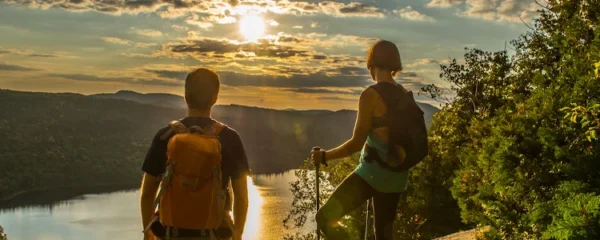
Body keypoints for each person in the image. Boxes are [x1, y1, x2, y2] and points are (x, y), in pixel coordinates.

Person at [311, 40, 427, 240]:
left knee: (324, 217)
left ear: (371, 63)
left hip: (372, 174)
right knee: (383, 235)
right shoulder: (402, 94)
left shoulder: (370, 96)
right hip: (397, 176)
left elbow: (356, 144)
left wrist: (324, 156)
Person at [140, 68, 249, 240]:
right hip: (214, 235)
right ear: (215, 99)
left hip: (170, 234)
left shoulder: (165, 136)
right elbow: (242, 196)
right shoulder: (230, 138)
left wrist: (148, 232)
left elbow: (148, 193)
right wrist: (238, 234)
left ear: (185, 96)